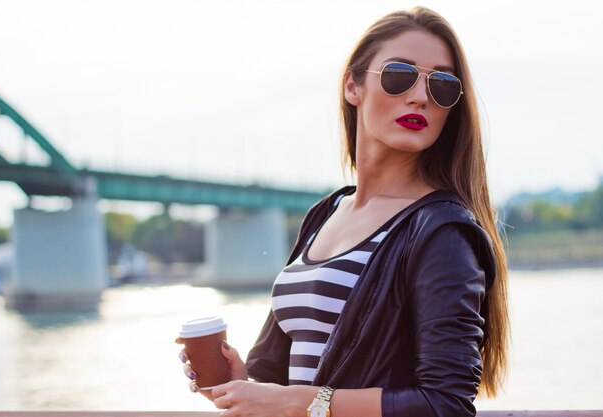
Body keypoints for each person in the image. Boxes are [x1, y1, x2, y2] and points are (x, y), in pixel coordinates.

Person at [178, 6, 509, 417]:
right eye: (399, 75)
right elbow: (278, 383)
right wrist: (238, 386)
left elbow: (445, 404)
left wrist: (301, 402)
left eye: (441, 85)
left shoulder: (441, 231)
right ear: (353, 86)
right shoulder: (326, 213)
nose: (420, 96)